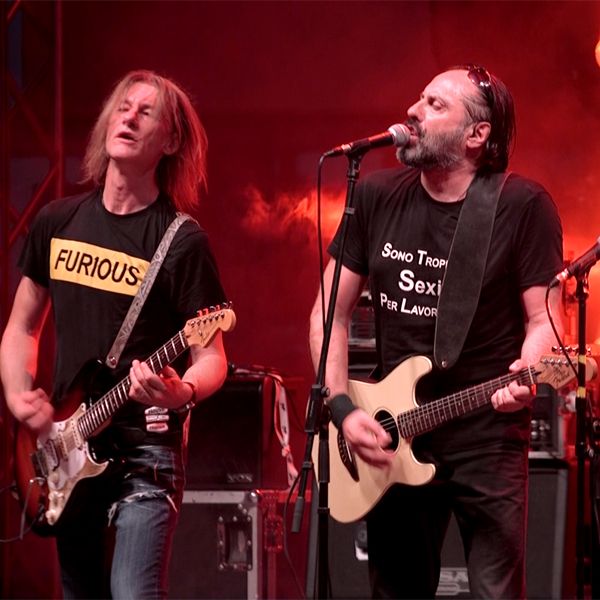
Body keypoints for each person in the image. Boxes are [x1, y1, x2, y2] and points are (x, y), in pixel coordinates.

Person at [309, 65, 563, 599]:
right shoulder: (376, 195)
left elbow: (544, 322)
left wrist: (528, 372)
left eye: (435, 104)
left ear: (477, 134)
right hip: (393, 431)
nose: (414, 110)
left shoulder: (521, 206)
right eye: (419, 97)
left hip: (486, 436)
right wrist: (343, 409)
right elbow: (329, 314)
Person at [0, 69, 229, 599]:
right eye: (123, 108)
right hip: (71, 448)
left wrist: (182, 391)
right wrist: (17, 394)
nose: (128, 118)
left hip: (145, 456)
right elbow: (21, 327)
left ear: (170, 141)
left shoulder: (181, 242)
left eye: (146, 113)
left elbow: (213, 356)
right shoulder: (57, 221)